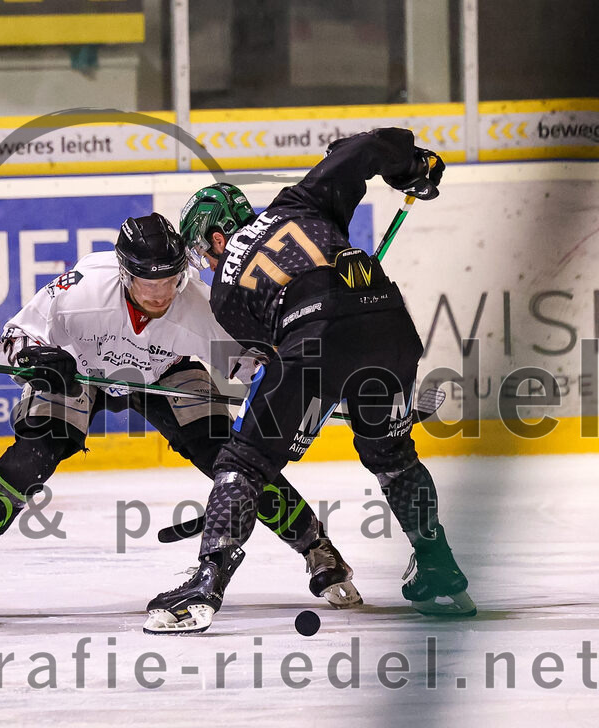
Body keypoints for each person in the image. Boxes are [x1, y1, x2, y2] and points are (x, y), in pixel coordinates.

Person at [0, 212, 361, 619]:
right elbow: (16, 334)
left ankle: (318, 549)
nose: (161, 291)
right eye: (148, 280)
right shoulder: (81, 289)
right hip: (81, 369)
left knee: (234, 459)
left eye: (171, 277)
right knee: (30, 458)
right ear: (125, 273)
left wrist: (290, 386)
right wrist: (38, 358)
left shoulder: (200, 306)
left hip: (165, 372)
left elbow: (249, 365)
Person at [145, 128, 476, 634]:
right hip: (391, 327)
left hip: (317, 338)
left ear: (216, 237)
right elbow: (365, 148)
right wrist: (412, 167)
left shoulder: (225, 297)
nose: (204, 266)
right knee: (391, 454)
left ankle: (205, 584)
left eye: (201, 253)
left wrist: (292, 434)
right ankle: (439, 569)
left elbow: (297, 376)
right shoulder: (297, 204)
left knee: (243, 462)